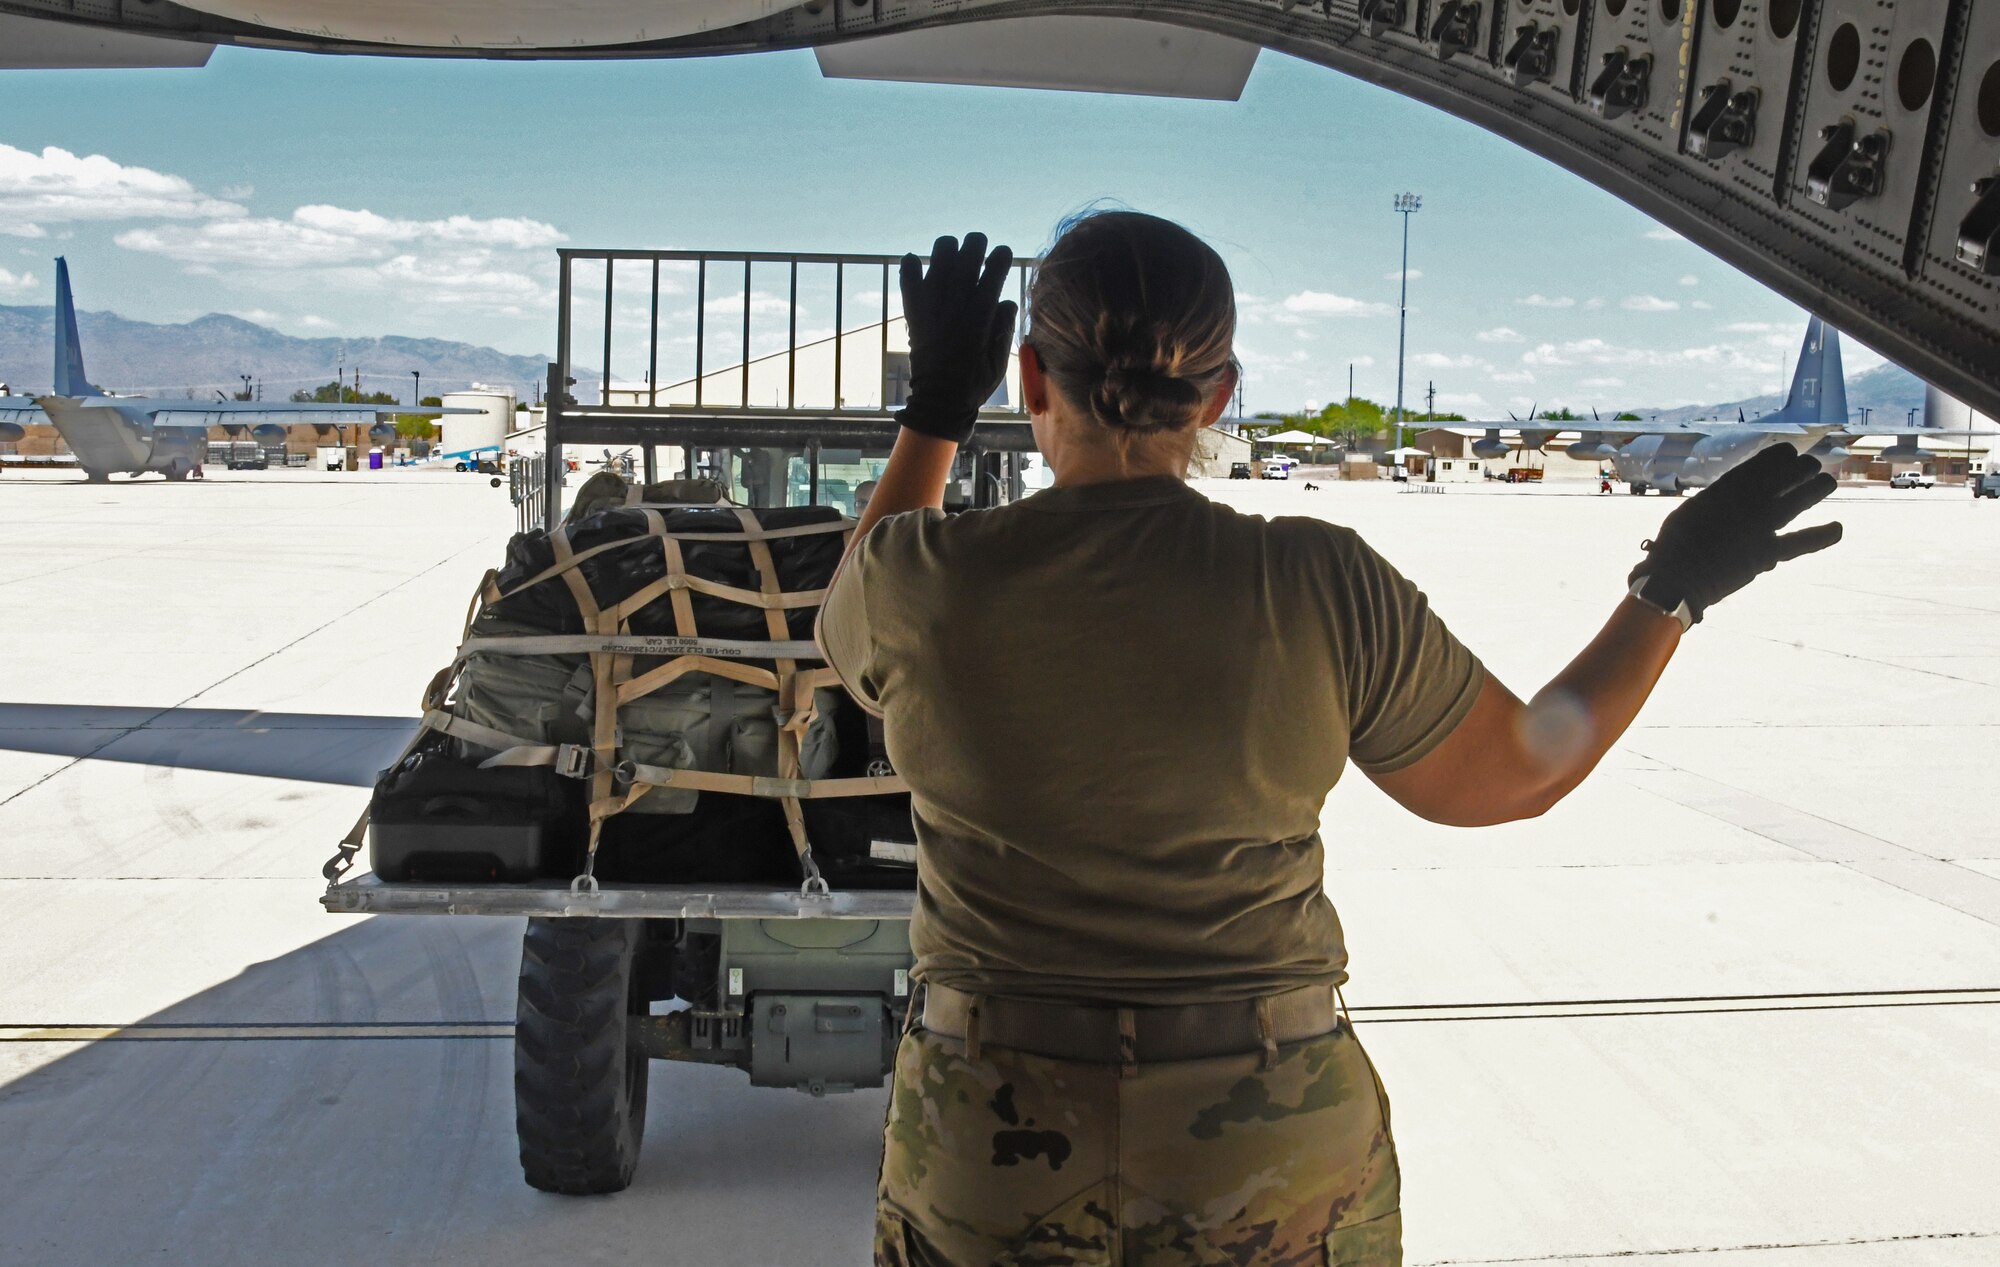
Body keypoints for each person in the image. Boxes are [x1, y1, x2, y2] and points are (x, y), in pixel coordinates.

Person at [816, 214, 1841, 1267]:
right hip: (1263, 1143)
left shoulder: (920, 580)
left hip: (990, 1134)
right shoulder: (1315, 580)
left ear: (1030, 379)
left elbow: (847, 619)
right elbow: (1516, 772)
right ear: (1217, 397)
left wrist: (936, 405)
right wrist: (1668, 590)